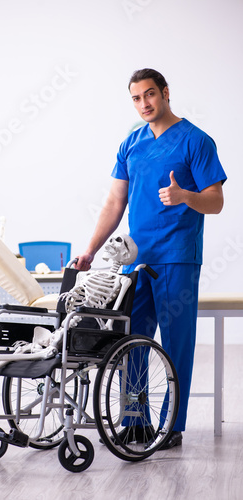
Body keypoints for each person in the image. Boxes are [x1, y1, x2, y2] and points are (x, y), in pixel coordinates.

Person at [75, 68, 227, 449]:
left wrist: (186, 197)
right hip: (135, 258)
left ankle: (171, 427)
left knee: (177, 343)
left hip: (177, 257)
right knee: (130, 340)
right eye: (136, 98)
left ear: (165, 93)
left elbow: (216, 201)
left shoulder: (196, 141)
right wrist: (91, 249)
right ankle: (135, 420)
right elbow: (114, 201)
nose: (144, 103)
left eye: (150, 95)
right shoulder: (131, 143)